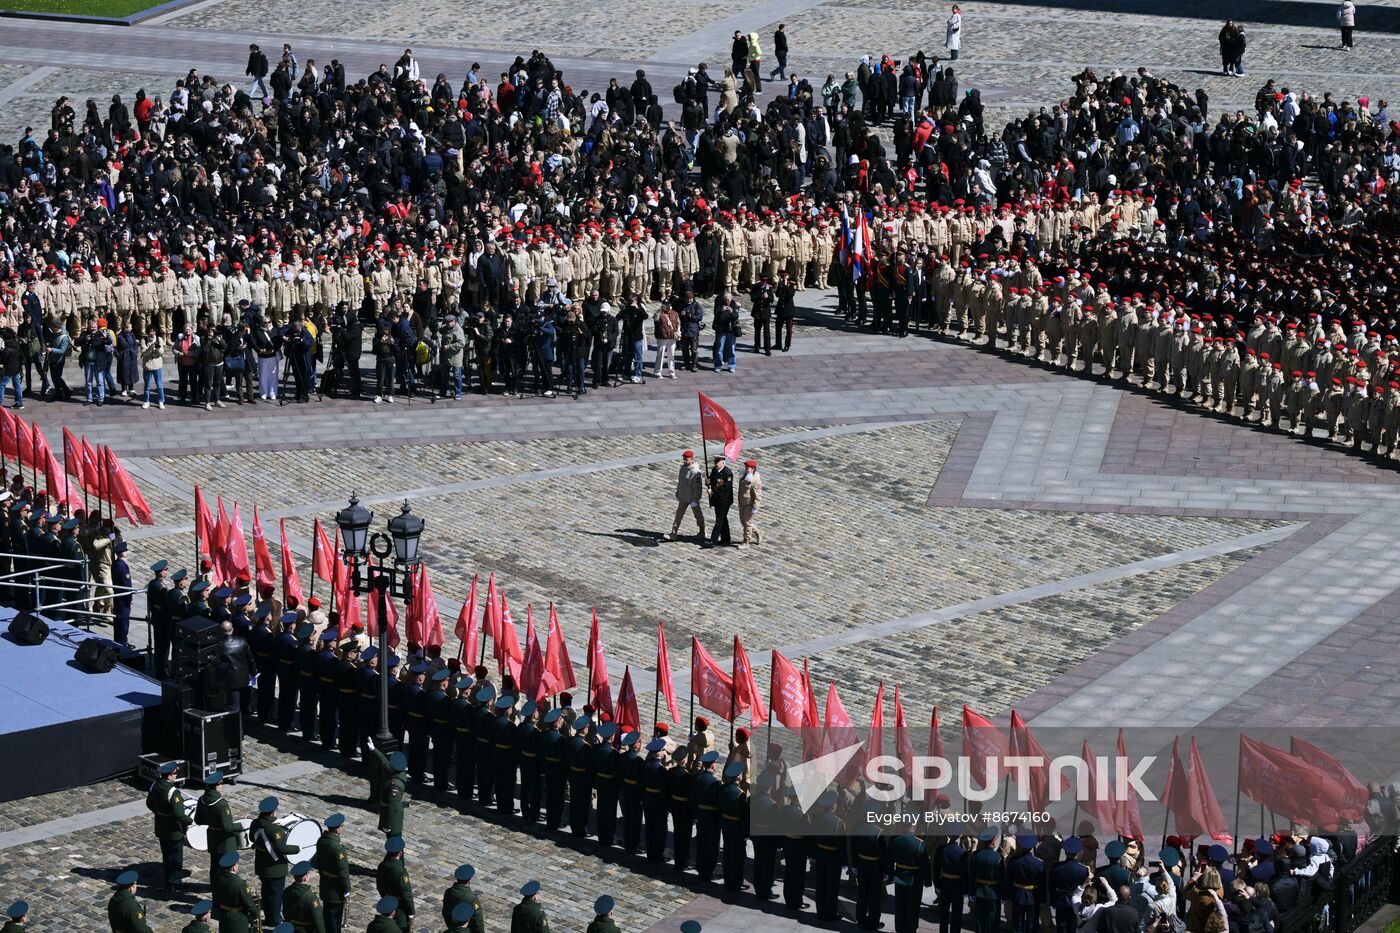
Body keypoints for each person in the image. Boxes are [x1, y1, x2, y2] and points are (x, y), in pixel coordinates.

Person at [252, 795, 303, 927]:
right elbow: (281, 848)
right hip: (274, 867)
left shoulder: (255, 823)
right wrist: (298, 848)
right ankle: (274, 920)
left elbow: (253, 838)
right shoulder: (274, 829)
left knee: (266, 892)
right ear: (274, 812)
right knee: (275, 895)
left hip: (261, 864)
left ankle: (269, 916)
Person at [145, 760, 192, 889]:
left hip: (161, 825)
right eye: (175, 773)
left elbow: (149, 803)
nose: (176, 775)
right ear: (169, 775)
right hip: (173, 829)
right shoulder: (173, 792)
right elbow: (178, 814)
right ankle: (174, 883)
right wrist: (191, 821)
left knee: (166, 855)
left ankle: (168, 878)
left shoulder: (154, 785)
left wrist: (159, 812)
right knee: (176, 858)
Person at [314, 813, 351, 933]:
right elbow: (343, 872)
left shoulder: (321, 840)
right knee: (335, 919)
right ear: (337, 829)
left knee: (328, 914)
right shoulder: (338, 848)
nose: (342, 828)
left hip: (325, 882)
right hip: (336, 888)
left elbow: (318, 862)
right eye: (342, 826)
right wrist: (347, 890)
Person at [211, 852, 258, 933]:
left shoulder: (217, 877)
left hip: (223, 914)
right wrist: (256, 915)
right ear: (233, 868)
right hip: (238, 918)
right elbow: (248, 903)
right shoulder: (239, 883)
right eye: (237, 864)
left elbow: (215, 897)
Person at [375, 837, 415, 931]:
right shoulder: (401, 872)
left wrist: (385, 897)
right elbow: (406, 894)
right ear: (400, 852)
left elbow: (379, 886)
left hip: (387, 902)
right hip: (400, 908)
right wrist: (411, 911)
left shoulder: (382, 866)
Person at [666, 450, 706, 541]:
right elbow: (680, 481)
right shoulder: (683, 468)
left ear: (691, 459)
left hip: (692, 498)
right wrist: (678, 492)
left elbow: (698, 487)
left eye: (686, 459)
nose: (684, 461)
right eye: (684, 459)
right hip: (683, 496)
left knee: (698, 515)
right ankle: (674, 532)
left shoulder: (695, 472)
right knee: (678, 514)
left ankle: (702, 531)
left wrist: (695, 499)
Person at [282, 861, 325, 933]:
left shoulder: (287, 891)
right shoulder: (311, 897)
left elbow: (285, 912)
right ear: (305, 878)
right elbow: (318, 920)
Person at [443, 864, 484, 933]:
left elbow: (445, 913)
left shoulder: (448, 892)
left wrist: (451, 927)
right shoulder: (472, 899)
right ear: (469, 880)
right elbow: (477, 921)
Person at [708, 455, 735, 547]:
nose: (715, 464)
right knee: (723, 519)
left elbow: (725, 488)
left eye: (717, 462)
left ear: (723, 462)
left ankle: (713, 540)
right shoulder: (714, 470)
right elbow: (711, 480)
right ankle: (726, 539)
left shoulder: (727, 473)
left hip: (724, 500)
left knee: (719, 520)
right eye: (715, 462)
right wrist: (708, 482)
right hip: (717, 500)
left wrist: (713, 491)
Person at [736, 459, 763, 548]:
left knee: (747, 523)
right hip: (742, 502)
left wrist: (755, 506)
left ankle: (746, 542)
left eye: (749, 467)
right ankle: (758, 532)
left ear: (753, 469)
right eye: (746, 467)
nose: (747, 468)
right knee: (743, 522)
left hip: (749, 504)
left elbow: (757, 494)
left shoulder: (755, 479)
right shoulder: (744, 475)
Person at [139, 326, 166, 409]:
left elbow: (161, 352)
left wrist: (156, 348)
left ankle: (161, 401)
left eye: (153, 331)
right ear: (147, 333)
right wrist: (149, 348)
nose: (152, 333)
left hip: (157, 366)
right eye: (150, 331)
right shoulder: (143, 340)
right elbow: (144, 353)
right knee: (147, 385)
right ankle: (146, 401)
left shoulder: (159, 339)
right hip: (147, 366)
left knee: (159, 385)